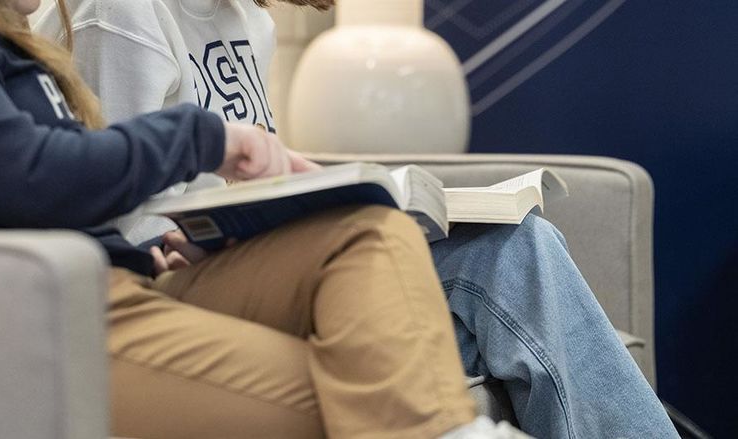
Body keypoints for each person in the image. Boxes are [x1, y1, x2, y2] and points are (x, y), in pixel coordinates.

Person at [34, 0, 681, 437]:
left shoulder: (246, 20)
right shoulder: (119, 14)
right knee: (500, 261)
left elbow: (247, 180)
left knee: (519, 243)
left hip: (276, 268)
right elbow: (105, 199)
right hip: (182, 287)